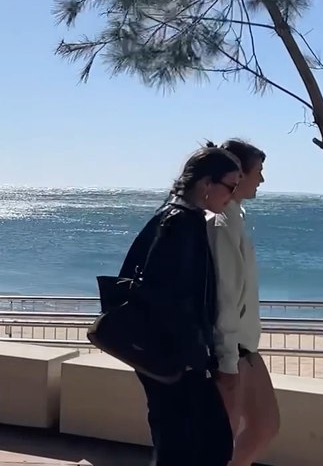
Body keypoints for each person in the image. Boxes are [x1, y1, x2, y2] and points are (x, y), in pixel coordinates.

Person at [119, 144, 241, 465]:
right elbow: (168, 296)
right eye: (230, 186)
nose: (232, 195)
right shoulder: (181, 224)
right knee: (193, 446)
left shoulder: (176, 218)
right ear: (205, 185)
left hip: (172, 357)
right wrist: (192, 355)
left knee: (184, 444)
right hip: (176, 360)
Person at [210, 139, 280, 465]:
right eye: (259, 172)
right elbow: (224, 296)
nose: (262, 180)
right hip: (230, 351)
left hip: (246, 346)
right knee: (223, 435)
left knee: (265, 425)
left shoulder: (235, 216)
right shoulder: (221, 223)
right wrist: (226, 362)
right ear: (239, 173)